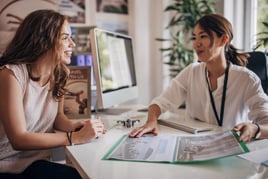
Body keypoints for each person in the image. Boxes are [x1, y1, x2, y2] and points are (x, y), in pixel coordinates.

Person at [129, 13, 268, 143]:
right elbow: (161, 102)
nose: (196, 44)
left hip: (229, 146)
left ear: (224, 39)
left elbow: (266, 122)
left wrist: (255, 129)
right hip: (193, 145)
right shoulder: (192, 71)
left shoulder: (246, 79)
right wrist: (151, 121)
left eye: (203, 36)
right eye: (195, 37)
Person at [0, 9, 106, 178]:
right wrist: (74, 137)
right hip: (6, 167)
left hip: (36, 162)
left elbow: (56, 118)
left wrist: (76, 127)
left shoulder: (59, 74)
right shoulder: (11, 75)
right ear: (43, 39)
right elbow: (18, 139)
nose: (72, 44)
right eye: (65, 37)